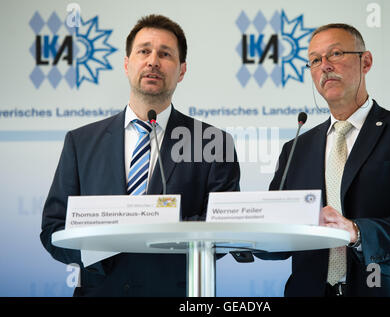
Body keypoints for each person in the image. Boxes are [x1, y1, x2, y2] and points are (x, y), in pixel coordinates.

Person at [40, 14, 240, 297]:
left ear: (181, 70)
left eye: (165, 54)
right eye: (144, 51)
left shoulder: (214, 142)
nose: (153, 61)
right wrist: (96, 249)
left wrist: (162, 230)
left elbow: (227, 229)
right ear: (126, 64)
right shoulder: (80, 142)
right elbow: (52, 228)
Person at [265, 23, 390, 296]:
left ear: (366, 61)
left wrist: (358, 232)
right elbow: (277, 233)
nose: (324, 65)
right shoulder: (295, 148)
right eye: (314, 60)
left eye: (335, 54)